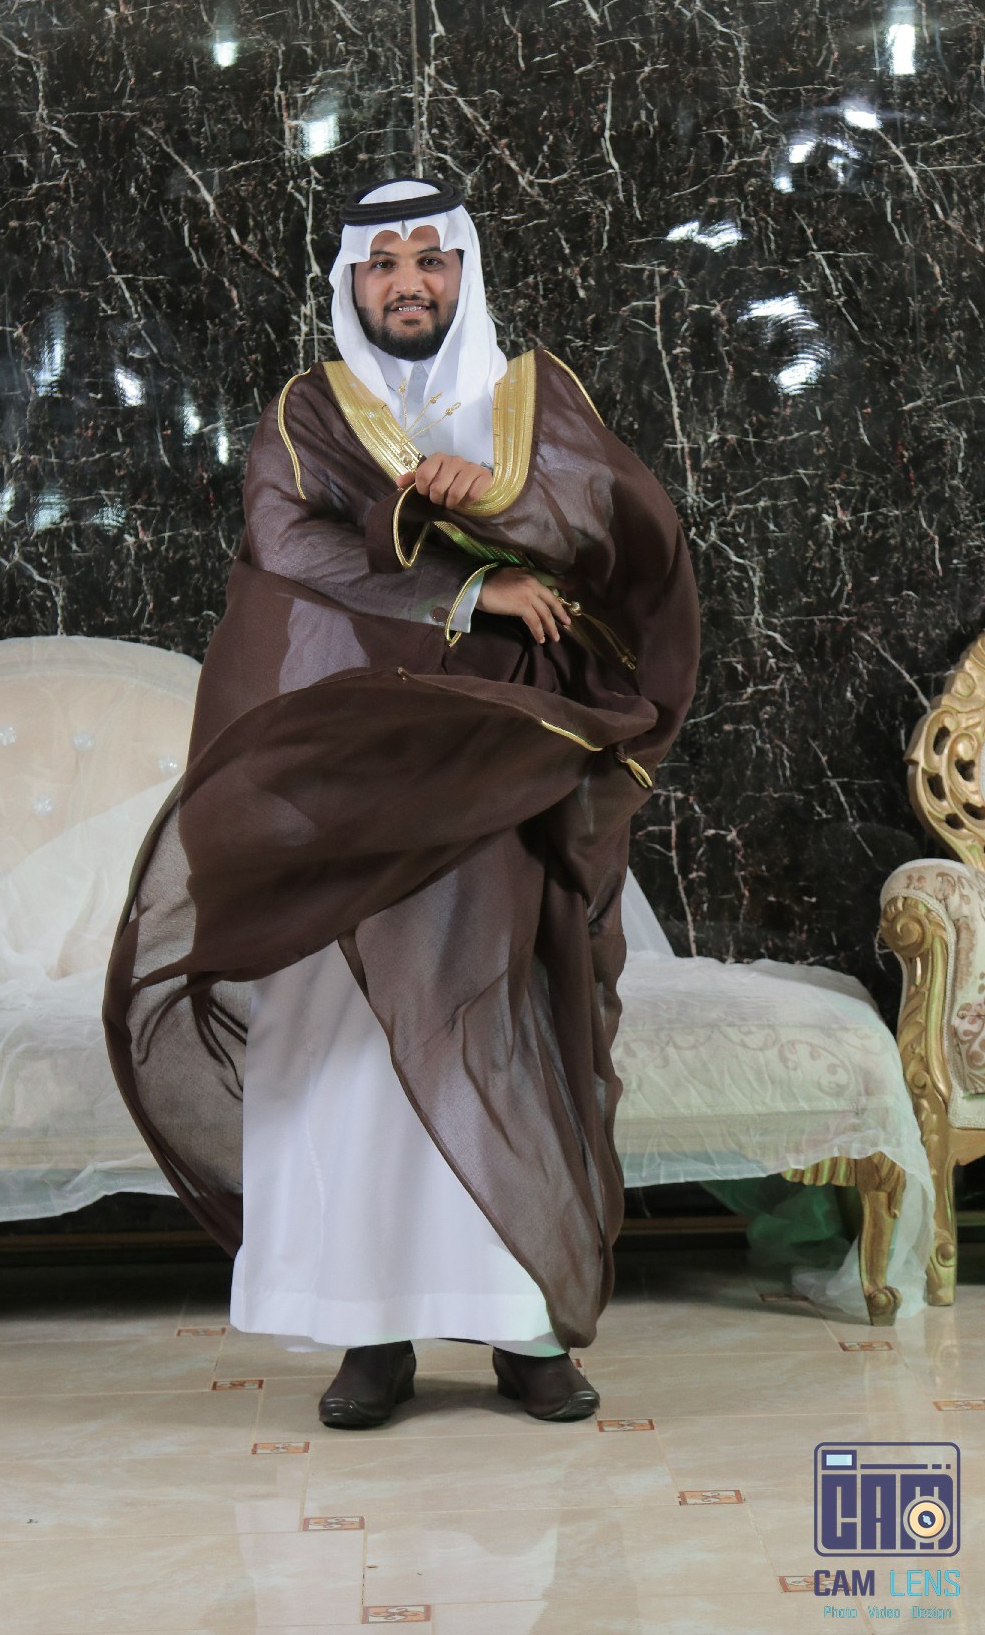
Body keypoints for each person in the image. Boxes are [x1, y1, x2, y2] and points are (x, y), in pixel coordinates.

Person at [104, 175, 700, 1430]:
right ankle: (366, 1333)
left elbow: (615, 527)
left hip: (502, 767)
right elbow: (289, 547)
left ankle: (526, 1329)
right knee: (346, 1052)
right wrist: (465, 586)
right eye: (384, 264)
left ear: (462, 271)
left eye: (431, 258)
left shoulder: (534, 398)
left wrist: (498, 502)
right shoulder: (309, 412)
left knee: (500, 1019)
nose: (409, 283)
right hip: (350, 780)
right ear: (353, 283)